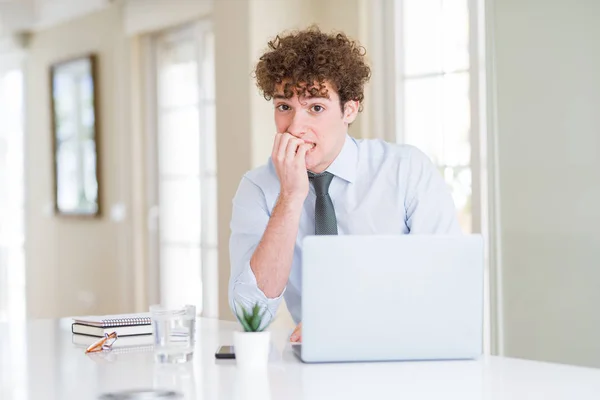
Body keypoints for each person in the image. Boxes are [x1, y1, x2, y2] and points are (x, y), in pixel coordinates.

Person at [228, 27, 461, 342]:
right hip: (311, 371)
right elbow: (248, 313)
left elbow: (447, 288)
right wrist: (290, 198)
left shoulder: (405, 171)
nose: (296, 127)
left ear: (349, 109)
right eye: (285, 107)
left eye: (316, 108)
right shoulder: (259, 187)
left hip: (404, 355)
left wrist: (352, 324)